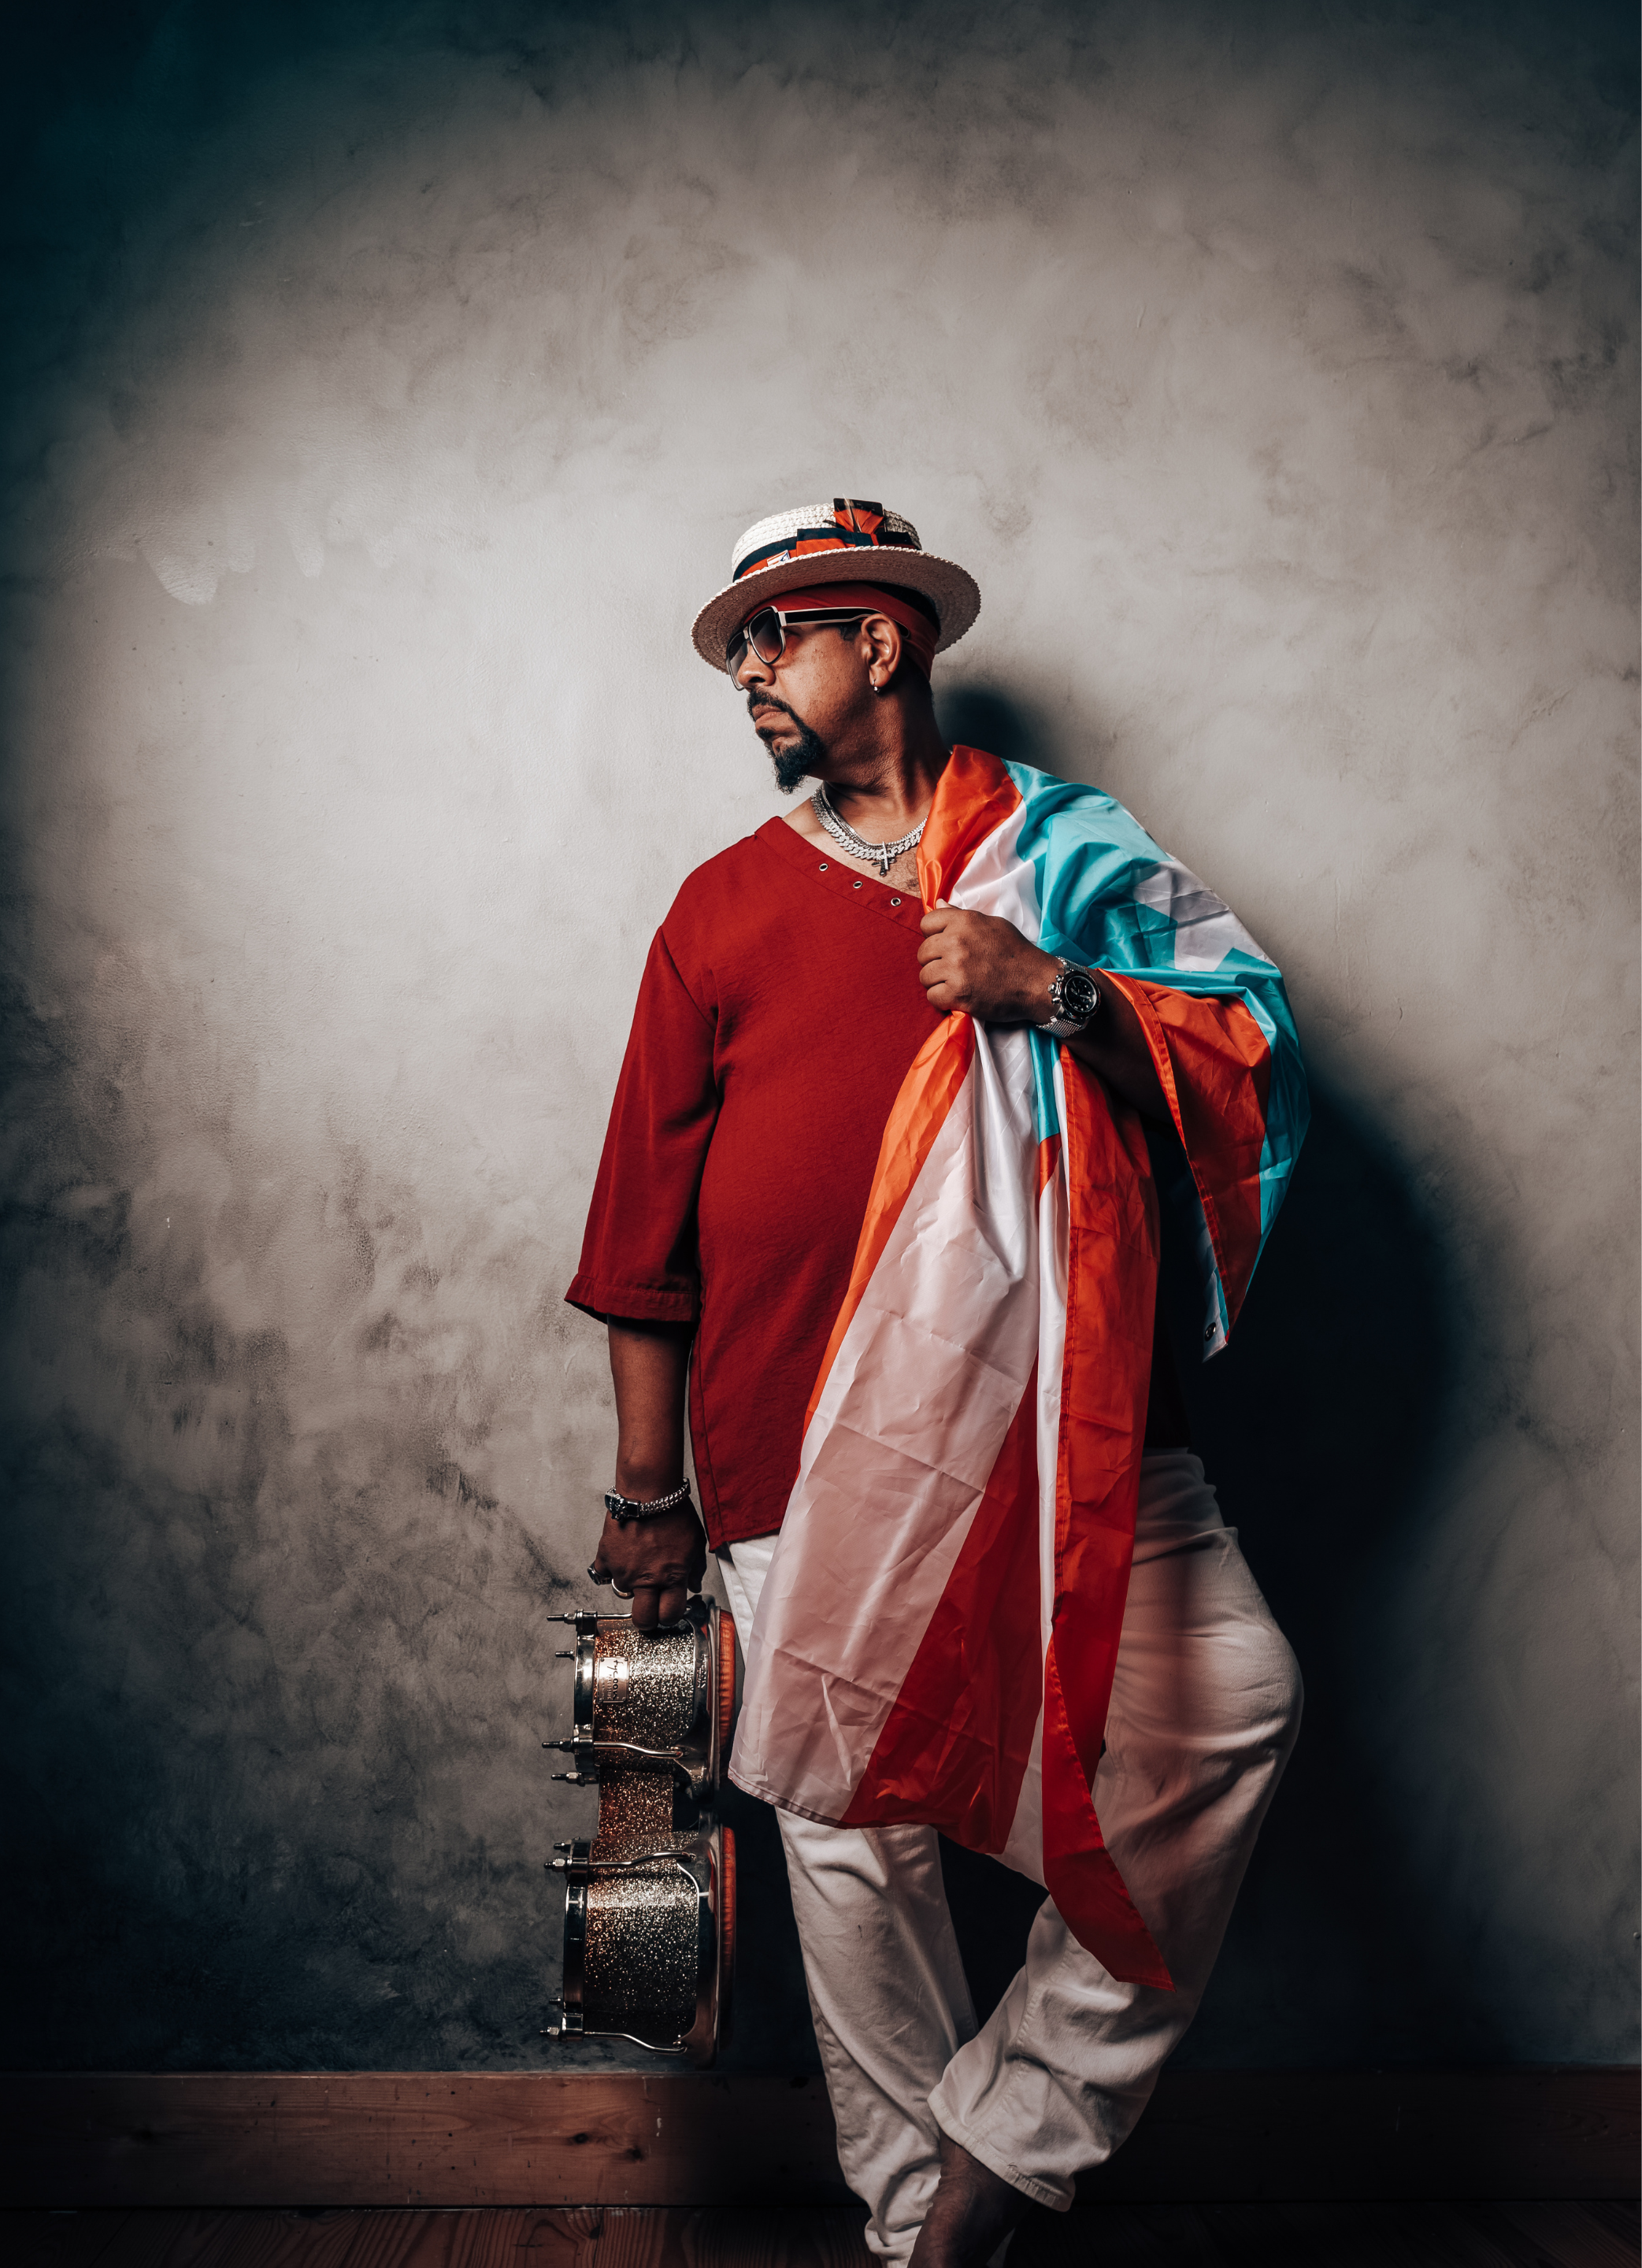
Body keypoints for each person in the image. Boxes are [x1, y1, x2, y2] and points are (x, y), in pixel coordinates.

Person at [567, 500, 1305, 2266]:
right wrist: (646, 1492)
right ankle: (924, 2243)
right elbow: (639, 1238)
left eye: (775, 633)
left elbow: (1250, 1048)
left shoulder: (1062, 855)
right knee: (851, 1834)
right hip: (793, 1449)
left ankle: (1006, 2135)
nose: (747, 671)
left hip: (1074, 1429)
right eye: (736, 646)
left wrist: (1050, 988)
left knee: (1231, 1707)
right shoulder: (721, 910)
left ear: (879, 641)